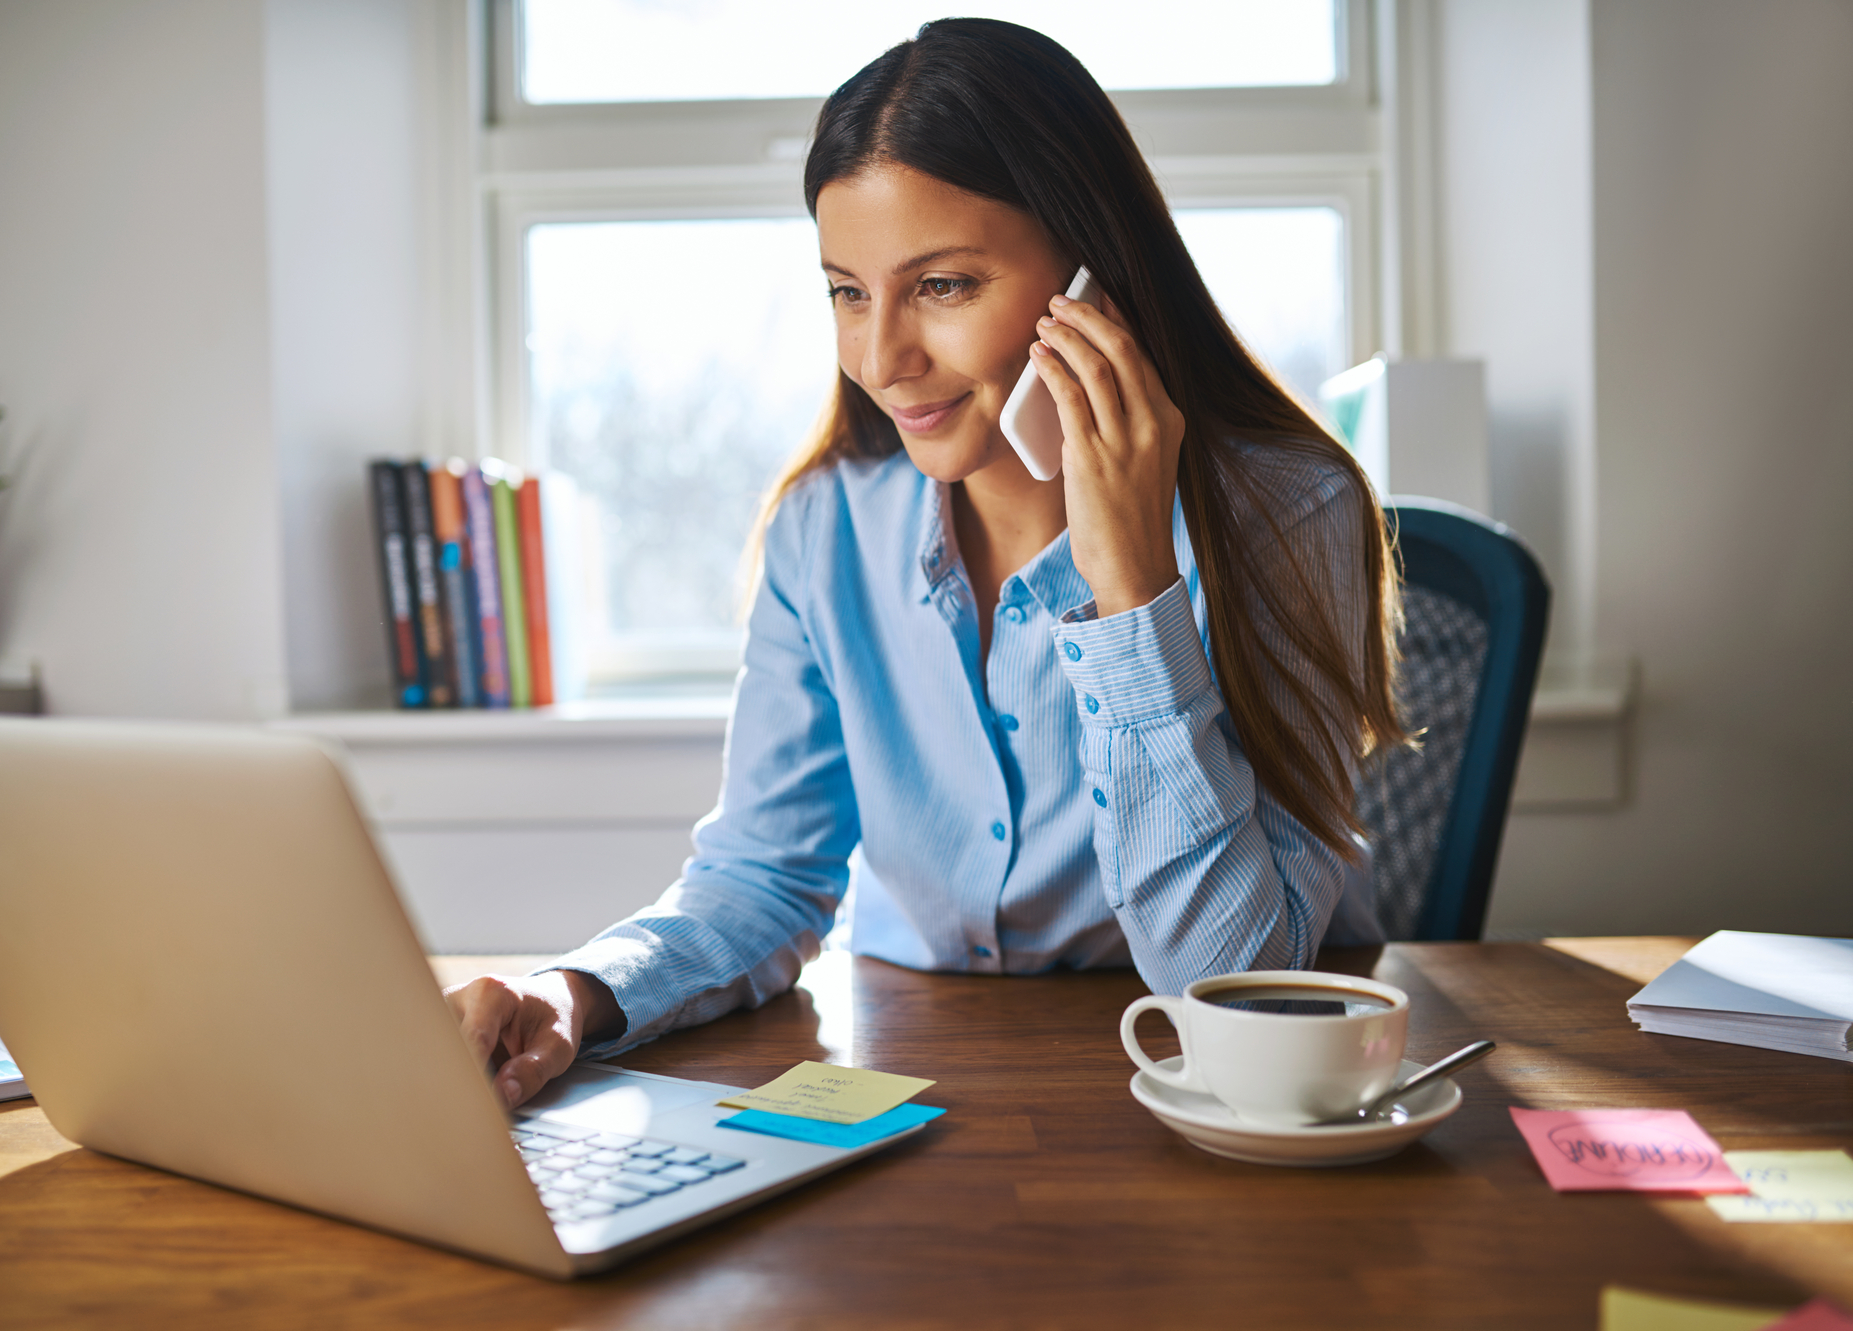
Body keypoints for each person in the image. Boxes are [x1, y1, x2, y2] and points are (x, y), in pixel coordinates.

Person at [448, 18, 1404, 1108]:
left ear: (1092, 277)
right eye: (847, 291)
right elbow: (764, 875)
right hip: (911, 1084)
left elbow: (1227, 983)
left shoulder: (1283, 511)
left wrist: (1132, 589)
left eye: (943, 285)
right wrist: (574, 994)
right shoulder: (826, 525)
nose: (880, 358)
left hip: (1202, 1103)